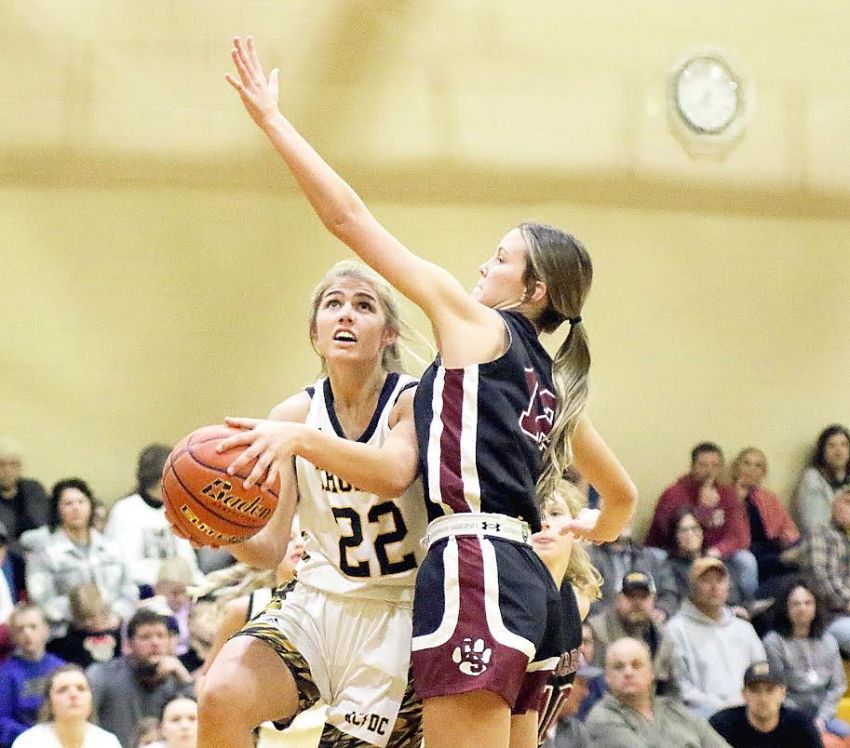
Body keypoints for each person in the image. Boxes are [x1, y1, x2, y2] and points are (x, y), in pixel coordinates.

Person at [223, 34, 637, 748]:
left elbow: (348, 219)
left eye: (501, 258)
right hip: (537, 590)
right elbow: (622, 498)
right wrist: (583, 530)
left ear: (532, 290)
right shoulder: (555, 383)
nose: (483, 263)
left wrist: (272, 122)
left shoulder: (479, 328)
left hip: (473, 564)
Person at [196, 261, 427, 748]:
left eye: (364, 306)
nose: (346, 315)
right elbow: (270, 548)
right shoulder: (295, 414)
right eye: (333, 304)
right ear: (315, 332)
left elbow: (391, 474)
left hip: (399, 612)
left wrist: (300, 440)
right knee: (221, 696)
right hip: (316, 601)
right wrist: (223, 528)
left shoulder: (412, 400)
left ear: (388, 333)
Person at [26, 478, 138, 638]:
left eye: (81, 501)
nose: (76, 508)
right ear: (57, 510)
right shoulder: (44, 552)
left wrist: (115, 616)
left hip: (113, 628)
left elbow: (129, 590)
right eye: (68, 504)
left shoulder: (111, 547)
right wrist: (84, 616)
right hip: (67, 633)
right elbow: (41, 600)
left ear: (91, 506)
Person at [645, 442, 757, 600]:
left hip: (712, 552)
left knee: (746, 560)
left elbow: (739, 536)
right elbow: (668, 532)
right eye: (703, 465)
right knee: (654, 556)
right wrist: (703, 509)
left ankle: (747, 609)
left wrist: (717, 551)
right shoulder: (674, 493)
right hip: (674, 553)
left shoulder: (727, 494)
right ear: (692, 466)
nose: (709, 471)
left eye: (715, 465)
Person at [529, 483, 597, 744]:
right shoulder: (504, 599)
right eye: (535, 513)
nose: (544, 522)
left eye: (555, 513)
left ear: (577, 531)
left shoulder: (579, 601)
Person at [585, 637, 730, 747]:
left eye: (636, 665)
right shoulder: (601, 718)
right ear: (607, 677)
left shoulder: (674, 709)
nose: (628, 672)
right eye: (618, 667)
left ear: (651, 673)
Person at [666, 557, 765, 717]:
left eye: (720, 580)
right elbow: (679, 686)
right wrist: (721, 707)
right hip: (702, 717)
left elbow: (761, 673)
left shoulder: (744, 628)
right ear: (692, 587)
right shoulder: (676, 629)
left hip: (748, 714)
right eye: (706, 580)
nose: (714, 587)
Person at [87, 608, 194, 748]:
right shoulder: (103, 675)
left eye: (161, 636)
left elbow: (200, 722)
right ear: (129, 645)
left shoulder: (176, 677)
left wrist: (184, 677)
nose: (155, 643)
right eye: (145, 637)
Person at [763, 578, 850, 748]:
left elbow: (837, 685)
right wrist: (806, 722)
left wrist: (822, 718)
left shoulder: (829, 641)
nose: (802, 608)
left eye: (808, 603)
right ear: (786, 608)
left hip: (824, 717)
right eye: (795, 604)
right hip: (789, 718)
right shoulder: (774, 642)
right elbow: (778, 691)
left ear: (816, 607)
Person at [106, 445, 202, 593]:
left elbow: (188, 560)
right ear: (161, 480)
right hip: (144, 591)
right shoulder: (125, 510)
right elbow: (124, 565)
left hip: (181, 589)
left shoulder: (177, 509)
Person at [587, 571, 678, 696]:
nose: (637, 602)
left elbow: (673, 690)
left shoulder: (664, 637)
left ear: (653, 600)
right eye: (630, 596)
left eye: (643, 596)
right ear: (617, 598)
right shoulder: (596, 631)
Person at [729, 448, 801, 593]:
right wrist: (738, 499)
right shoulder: (725, 495)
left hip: (773, 545)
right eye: (746, 463)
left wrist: (788, 537)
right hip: (745, 550)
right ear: (737, 467)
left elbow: (789, 527)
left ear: (763, 472)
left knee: (806, 545)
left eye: (758, 465)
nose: (751, 469)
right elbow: (728, 532)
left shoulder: (768, 497)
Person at [709, 661, 824, 747]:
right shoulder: (722, 726)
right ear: (744, 694)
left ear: (782, 693)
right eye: (755, 690)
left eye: (770, 690)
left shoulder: (801, 726)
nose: (763, 698)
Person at [0, 604, 65, 747]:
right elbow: (2, 721)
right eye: (20, 629)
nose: (27, 633)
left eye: (33, 627)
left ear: (46, 631)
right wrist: (34, 737)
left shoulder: (60, 668)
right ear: (13, 636)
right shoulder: (5, 674)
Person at [10, 664, 121, 748]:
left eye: (81, 689)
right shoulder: (28, 743)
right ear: (49, 703)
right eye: (62, 690)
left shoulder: (108, 742)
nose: (73, 694)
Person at [587, 525, 678, 621]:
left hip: (646, 623)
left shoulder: (651, 557)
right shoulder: (590, 558)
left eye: (627, 517)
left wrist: (662, 610)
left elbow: (670, 592)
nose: (624, 522)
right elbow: (585, 597)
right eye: (618, 516)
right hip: (605, 626)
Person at [802, 486, 850, 654]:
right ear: (833, 505)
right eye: (848, 502)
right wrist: (846, 601)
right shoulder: (820, 533)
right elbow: (819, 576)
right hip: (834, 616)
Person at [46, 583, 122, 668]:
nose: (88, 623)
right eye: (82, 618)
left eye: (92, 617)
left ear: (102, 611)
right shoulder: (71, 637)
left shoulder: (118, 633)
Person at [795, 425, 850, 533]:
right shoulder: (812, 478)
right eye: (831, 445)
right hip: (826, 542)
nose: (839, 451)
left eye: (844, 445)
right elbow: (814, 524)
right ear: (822, 451)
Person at [0, 438, 49, 546]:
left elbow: (48, 524)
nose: (7, 470)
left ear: (20, 467)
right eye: (1, 464)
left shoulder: (34, 489)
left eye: (13, 464)